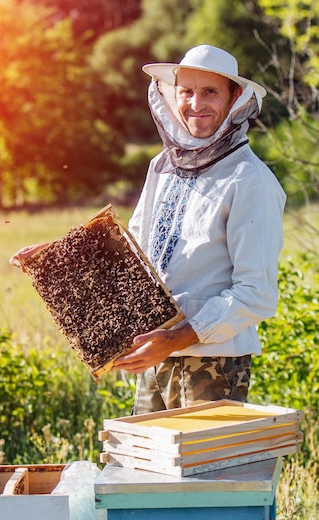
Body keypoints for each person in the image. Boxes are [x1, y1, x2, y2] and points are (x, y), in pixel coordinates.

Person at [112, 44, 286, 414]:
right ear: (172, 95)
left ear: (235, 98)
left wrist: (175, 339)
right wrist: (64, 256)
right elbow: (133, 252)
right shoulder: (162, 166)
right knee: (148, 468)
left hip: (212, 363)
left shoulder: (249, 180)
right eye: (186, 91)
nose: (196, 104)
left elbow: (256, 293)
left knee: (201, 472)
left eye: (210, 92)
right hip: (154, 354)